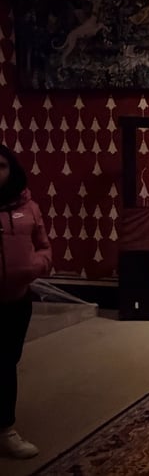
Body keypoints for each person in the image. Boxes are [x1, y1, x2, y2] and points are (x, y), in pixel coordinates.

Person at [0, 145, 52, 459]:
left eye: (1, 165)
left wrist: (35, 268)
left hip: (18, 300)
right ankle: (6, 428)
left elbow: (44, 246)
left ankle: (4, 431)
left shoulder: (28, 207)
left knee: (7, 361)